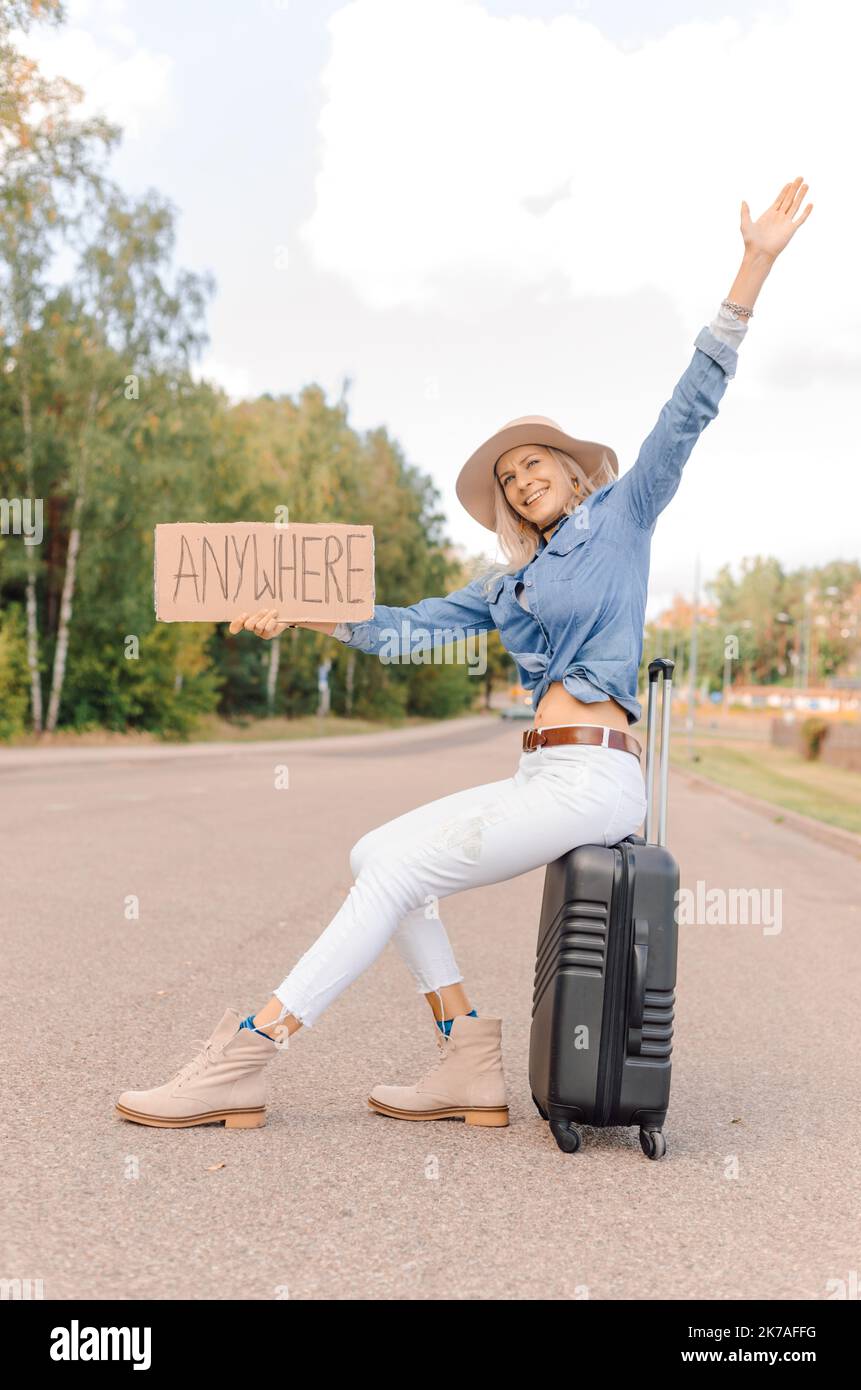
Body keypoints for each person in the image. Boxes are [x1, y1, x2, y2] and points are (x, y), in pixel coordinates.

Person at [115, 177, 813, 1131]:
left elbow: (688, 408)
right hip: (540, 775)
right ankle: (464, 1055)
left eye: (537, 464)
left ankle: (246, 1053)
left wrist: (755, 264)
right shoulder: (506, 586)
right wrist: (299, 612)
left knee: (400, 872)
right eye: (509, 479)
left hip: (595, 780)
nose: (523, 480)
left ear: (574, 472)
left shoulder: (625, 515)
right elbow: (401, 630)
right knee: (377, 854)